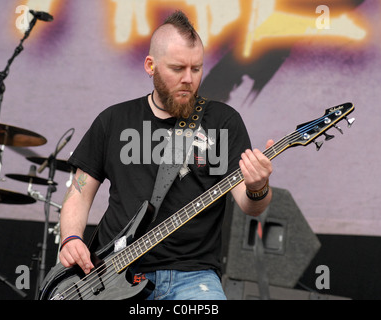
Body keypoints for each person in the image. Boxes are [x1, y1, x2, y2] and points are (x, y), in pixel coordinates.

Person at [58, 10, 273, 300]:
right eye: (177, 68)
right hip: (114, 275)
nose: (188, 79)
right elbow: (79, 192)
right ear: (151, 65)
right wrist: (70, 238)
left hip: (194, 277)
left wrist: (258, 187)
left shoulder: (223, 121)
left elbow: (250, 206)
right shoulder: (114, 120)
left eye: (196, 69)